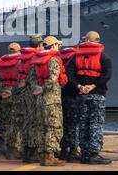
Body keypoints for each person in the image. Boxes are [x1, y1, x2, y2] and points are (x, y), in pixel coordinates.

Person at [67, 31, 112, 165]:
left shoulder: (76, 56)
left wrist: (79, 86)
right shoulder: (104, 57)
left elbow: (69, 74)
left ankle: (84, 153)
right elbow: (107, 75)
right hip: (97, 95)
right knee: (95, 124)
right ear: (98, 40)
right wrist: (93, 85)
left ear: (85, 40)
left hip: (81, 95)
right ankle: (93, 154)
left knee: (83, 124)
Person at [28, 36, 68, 166]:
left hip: (39, 98)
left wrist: (37, 88)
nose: (59, 47)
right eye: (57, 45)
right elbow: (53, 79)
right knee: (54, 126)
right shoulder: (54, 59)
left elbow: (31, 78)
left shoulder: (37, 59)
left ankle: (43, 155)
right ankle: (50, 155)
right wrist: (44, 88)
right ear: (53, 46)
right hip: (52, 98)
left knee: (41, 127)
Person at [0, 42, 22, 159]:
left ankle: (4, 147)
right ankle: (13, 150)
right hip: (16, 97)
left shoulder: (1, 63)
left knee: (6, 122)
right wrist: (12, 91)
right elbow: (22, 79)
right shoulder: (20, 62)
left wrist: (1, 91)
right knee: (16, 124)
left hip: (4, 98)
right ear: (19, 51)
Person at [18, 34, 44, 163]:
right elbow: (33, 75)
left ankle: (26, 150)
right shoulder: (36, 57)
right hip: (33, 91)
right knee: (35, 122)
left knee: (26, 121)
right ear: (40, 45)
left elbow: (20, 74)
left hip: (23, 93)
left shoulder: (21, 58)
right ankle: (33, 151)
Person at [58, 46, 81, 162]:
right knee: (74, 125)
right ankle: (73, 151)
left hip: (62, 96)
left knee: (63, 124)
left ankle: (63, 151)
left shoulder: (59, 58)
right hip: (74, 96)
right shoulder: (76, 58)